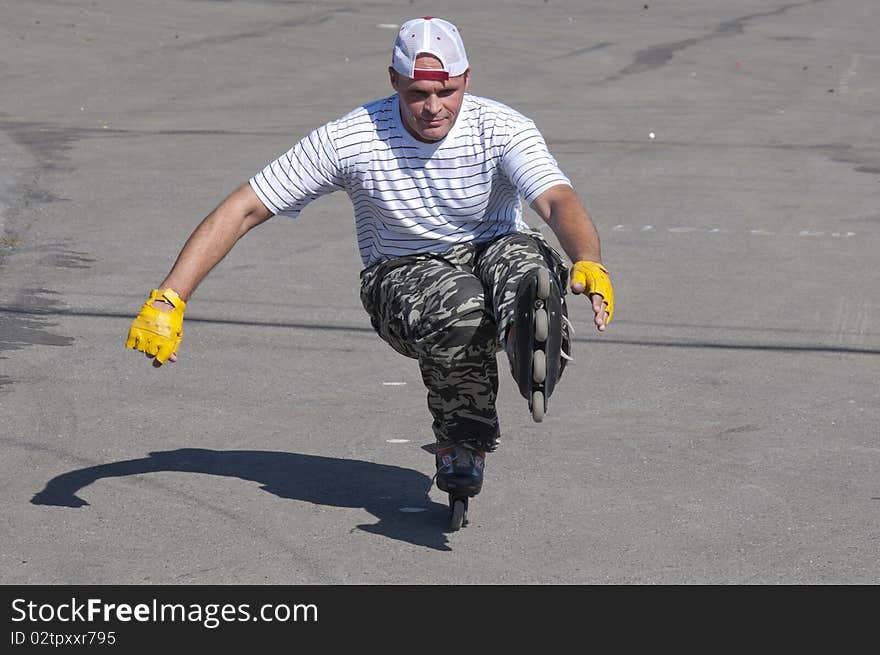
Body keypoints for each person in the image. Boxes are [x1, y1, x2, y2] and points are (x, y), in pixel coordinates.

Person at [125, 16, 614, 529]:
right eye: (418, 93)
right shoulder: (353, 138)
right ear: (394, 81)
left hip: (492, 252)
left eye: (446, 91)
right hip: (403, 275)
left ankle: (528, 327)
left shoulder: (502, 128)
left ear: (467, 79)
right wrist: (169, 298)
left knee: (522, 257)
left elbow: (556, 200)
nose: (433, 108)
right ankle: (463, 440)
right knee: (461, 304)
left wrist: (589, 261)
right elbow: (245, 207)